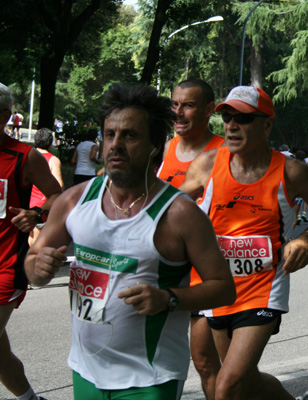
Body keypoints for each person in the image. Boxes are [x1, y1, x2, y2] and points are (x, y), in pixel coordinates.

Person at [24, 83, 236, 400]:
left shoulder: (179, 214)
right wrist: (37, 268)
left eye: (130, 136)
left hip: (150, 376)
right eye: (110, 135)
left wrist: (168, 298)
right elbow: (32, 266)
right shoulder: (74, 201)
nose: (115, 145)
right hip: (85, 370)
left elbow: (224, 287)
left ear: (154, 144)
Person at [180, 85, 308, 400]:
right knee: (245, 381)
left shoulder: (291, 172)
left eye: (243, 118)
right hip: (219, 288)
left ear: (266, 125)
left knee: (226, 388)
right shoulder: (207, 165)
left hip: (263, 290)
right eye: (227, 117)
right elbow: (169, 209)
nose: (231, 125)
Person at [157, 78, 224, 400]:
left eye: (188, 105)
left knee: (205, 361)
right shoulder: (166, 147)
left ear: (209, 110)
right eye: (174, 104)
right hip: (163, 264)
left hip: (203, 268)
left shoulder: (224, 151)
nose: (178, 113)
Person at [0, 82, 62, 400]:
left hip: (6, 266)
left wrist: (36, 214)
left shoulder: (25, 156)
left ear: (6, 116)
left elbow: (57, 196)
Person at [29, 128, 64, 246]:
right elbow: (59, 186)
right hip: (43, 206)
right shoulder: (53, 160)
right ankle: (33, 263)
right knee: (39, 242)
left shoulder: (29, 156)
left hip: (27, 203)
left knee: (31, 237)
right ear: (50, 143)